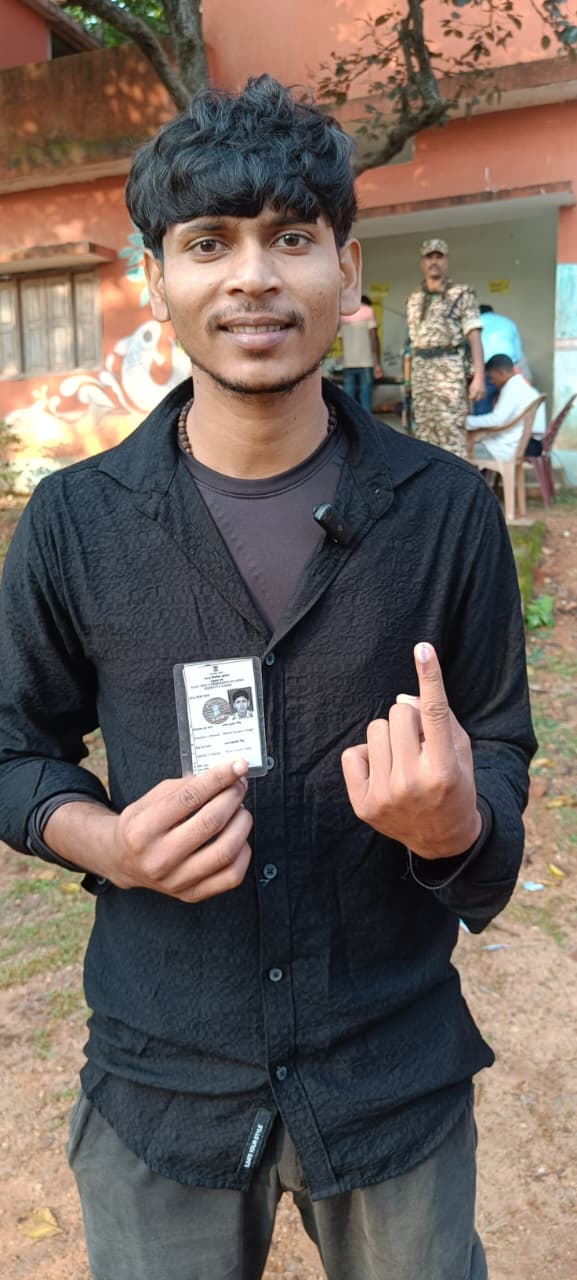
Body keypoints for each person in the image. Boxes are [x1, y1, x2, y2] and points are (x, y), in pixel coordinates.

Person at [0, 77, 535, 1280]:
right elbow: (10, 744)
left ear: (346, 273)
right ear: (156, 278)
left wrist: (454, 823)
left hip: (389, 1065)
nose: (252, 277)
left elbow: (498, 744)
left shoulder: (445, 515)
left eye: (292, 238)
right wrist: (106, 840)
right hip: (163, 1071)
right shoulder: (75, 523)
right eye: (209, 243)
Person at [406, 239, 485, 457]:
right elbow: (413, 342)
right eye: (429, 257)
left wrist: (479, 377)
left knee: (452, 433)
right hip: (422, 373)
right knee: (424, 434)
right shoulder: (413, 298)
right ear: (422, 263)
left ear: (446, 261)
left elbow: (474, 336)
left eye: (438, 257)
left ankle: (455, 479)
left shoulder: (462, 294)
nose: (434, 262)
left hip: (449, 371)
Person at [466, 354, 546, 461]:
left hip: (512, 448)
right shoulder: (521, 385)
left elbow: (496, 420)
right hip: (529, 444)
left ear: (501, 372)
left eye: (491, 377)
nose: (491, 382)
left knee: (459, 452)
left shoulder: (512, 388)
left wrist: (466, 421)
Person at [472, 305, 531, 416]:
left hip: (487, 369)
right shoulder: (508, 322)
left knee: (482, 403)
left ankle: (481, 420)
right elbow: (518, 353)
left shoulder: (475, 323)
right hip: (509, 368)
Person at [338, 293, 382, 412]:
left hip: (348, 363)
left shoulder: (343, 315)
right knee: (365, 399)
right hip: (366, 363)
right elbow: (374, 339)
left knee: (348, 399)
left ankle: (348, 423)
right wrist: (377, 363)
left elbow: (341, 340)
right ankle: (365, 424)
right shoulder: (368, 311)